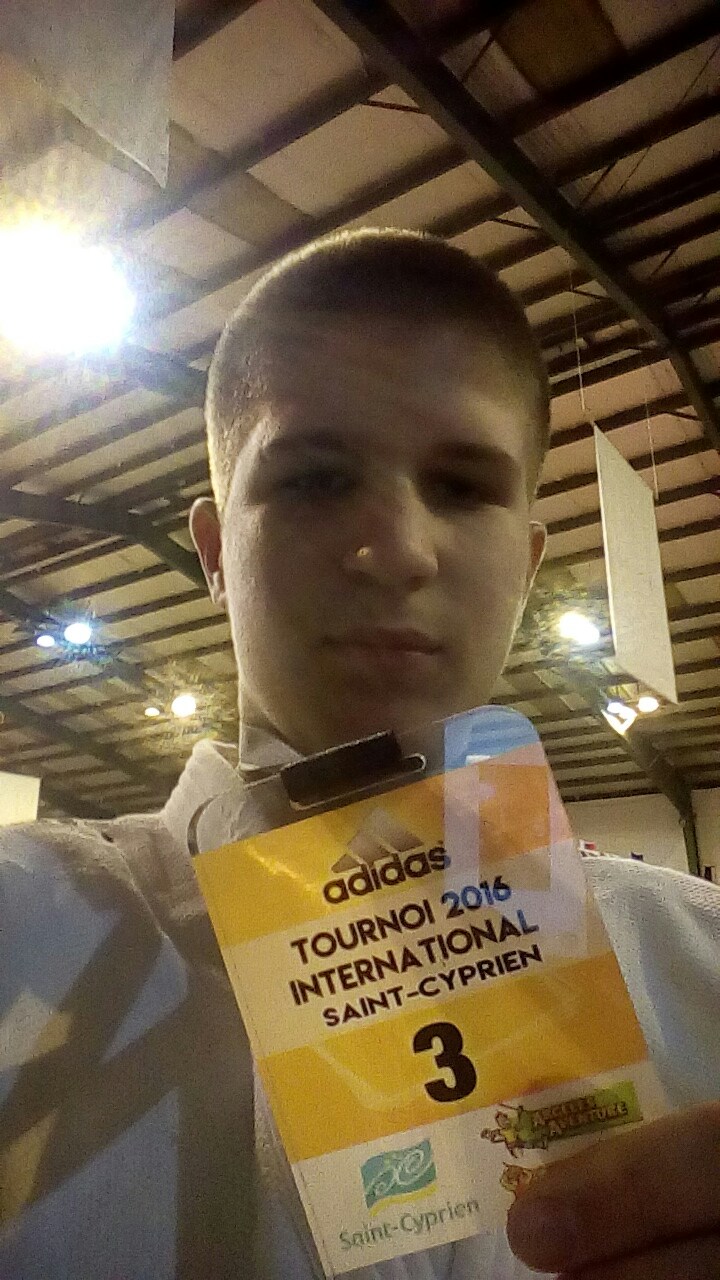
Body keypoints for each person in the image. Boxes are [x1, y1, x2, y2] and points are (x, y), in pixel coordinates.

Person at [0, 229, 718, 1280]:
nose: (396, 551)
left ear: (527, 565)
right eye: (315, 480)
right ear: (214, 550)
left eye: (463, 486)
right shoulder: (21, 930)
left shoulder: (698, 965)